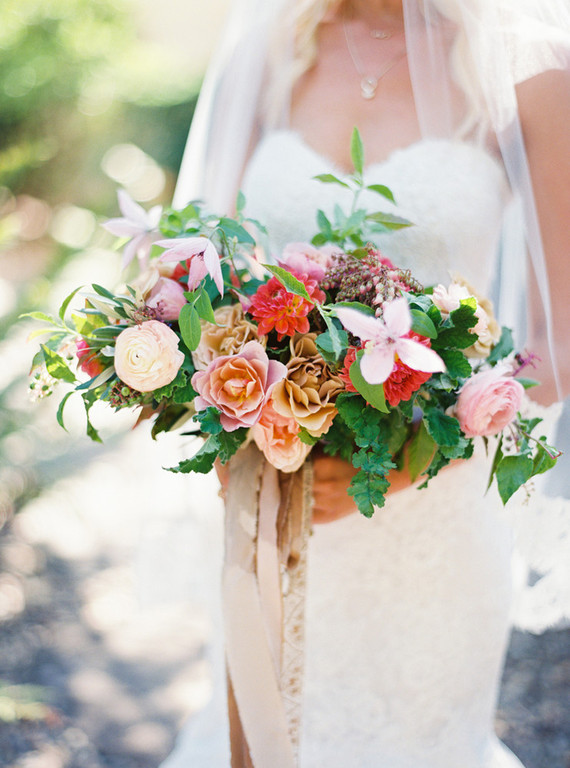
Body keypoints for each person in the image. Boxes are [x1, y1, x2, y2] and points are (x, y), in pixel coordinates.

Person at [161, 0, 570, 766]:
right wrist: (229, 418)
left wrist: (417, 460)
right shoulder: (272, 50)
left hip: (434, 531)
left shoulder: (532, 68)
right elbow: (198, 275)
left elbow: (561, 338)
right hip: (273, 499)